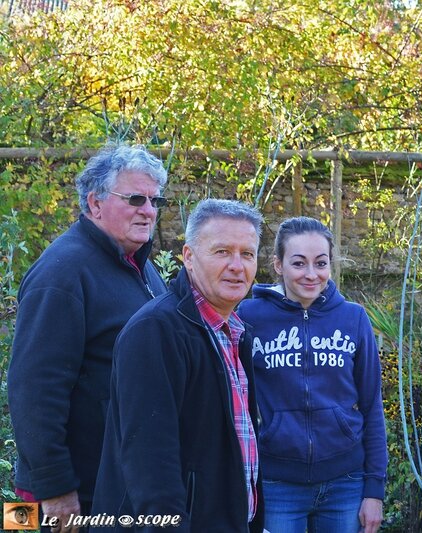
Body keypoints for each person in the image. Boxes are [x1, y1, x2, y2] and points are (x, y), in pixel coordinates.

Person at [8, 144, 169, 530]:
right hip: (69, 493)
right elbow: (33, 387)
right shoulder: (62, 274)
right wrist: (55, 488)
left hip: (117, 478)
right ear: (95, 204)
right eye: (134, 198)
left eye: (154, 199)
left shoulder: (139, 266)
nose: (147, 210)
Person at [90, 199, 264, 533]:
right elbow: (151, 465)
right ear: (188, 256)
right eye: (222, 252)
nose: (237, 266)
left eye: (247, 253)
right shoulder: (155, 332)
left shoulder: (236, 334)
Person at [237, 216, 387, 533]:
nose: (311, 274)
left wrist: (374, 490)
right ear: (278, 265)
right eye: (298, 263)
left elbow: (372, 405)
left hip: (345, 481)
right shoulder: (247, 317)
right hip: (278, 482)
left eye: (320, 263)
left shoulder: (353, 318)